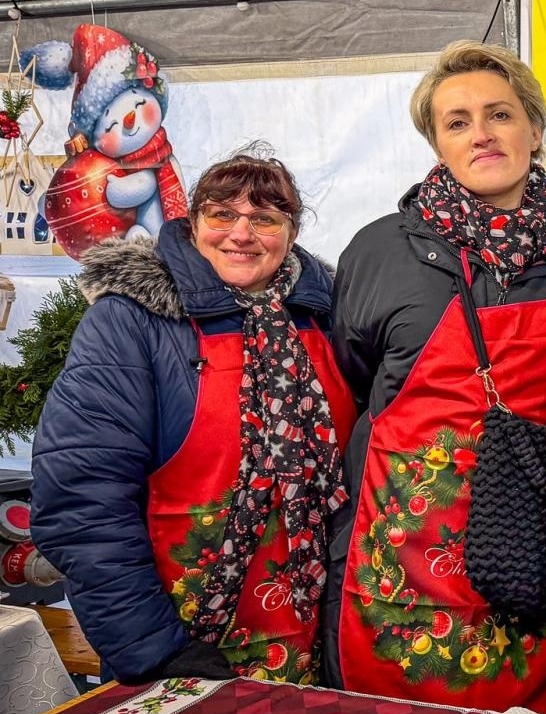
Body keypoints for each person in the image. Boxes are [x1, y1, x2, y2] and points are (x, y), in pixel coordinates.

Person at [326, 41, 546, 713]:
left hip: (543, 566)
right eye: (457, 122)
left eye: (500, 114)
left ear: (536, 131)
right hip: (405, 580)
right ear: (436, 142)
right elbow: (355, 377)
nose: (482, 134)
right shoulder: (379, 252)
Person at [32, 150, 354, 684]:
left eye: (266, 219)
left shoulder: (325, 317)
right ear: (194, 221)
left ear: (291, 233)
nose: (242, 234)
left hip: (322, 636)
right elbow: (82, 497)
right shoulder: (132, 321)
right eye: (222, 214)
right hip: (187, 642)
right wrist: (154, 648)